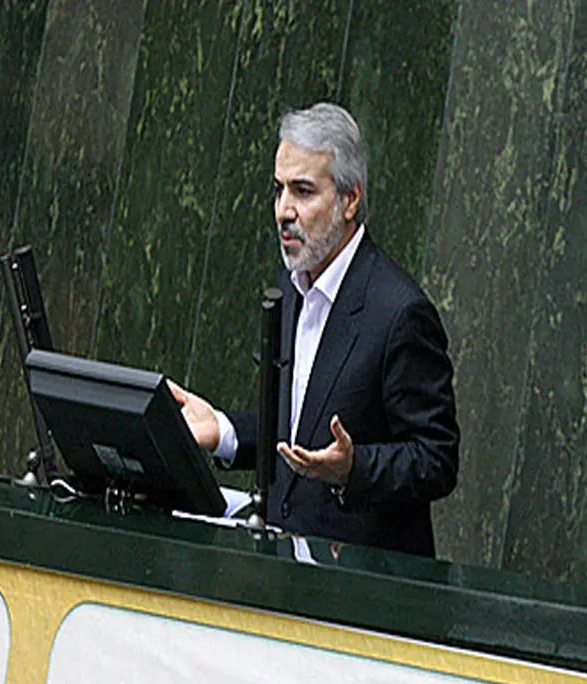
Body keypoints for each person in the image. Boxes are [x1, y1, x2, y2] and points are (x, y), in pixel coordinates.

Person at [172, 102, 459, 558]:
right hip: (285, 570)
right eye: (278, 190)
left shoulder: (400, 312)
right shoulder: (291, 288)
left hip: (363, 583)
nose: (283, 211)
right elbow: (296, 432)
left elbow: (436, 458)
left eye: (303, 192)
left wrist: (353, 468)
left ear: (350, 200)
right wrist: (222, 431)